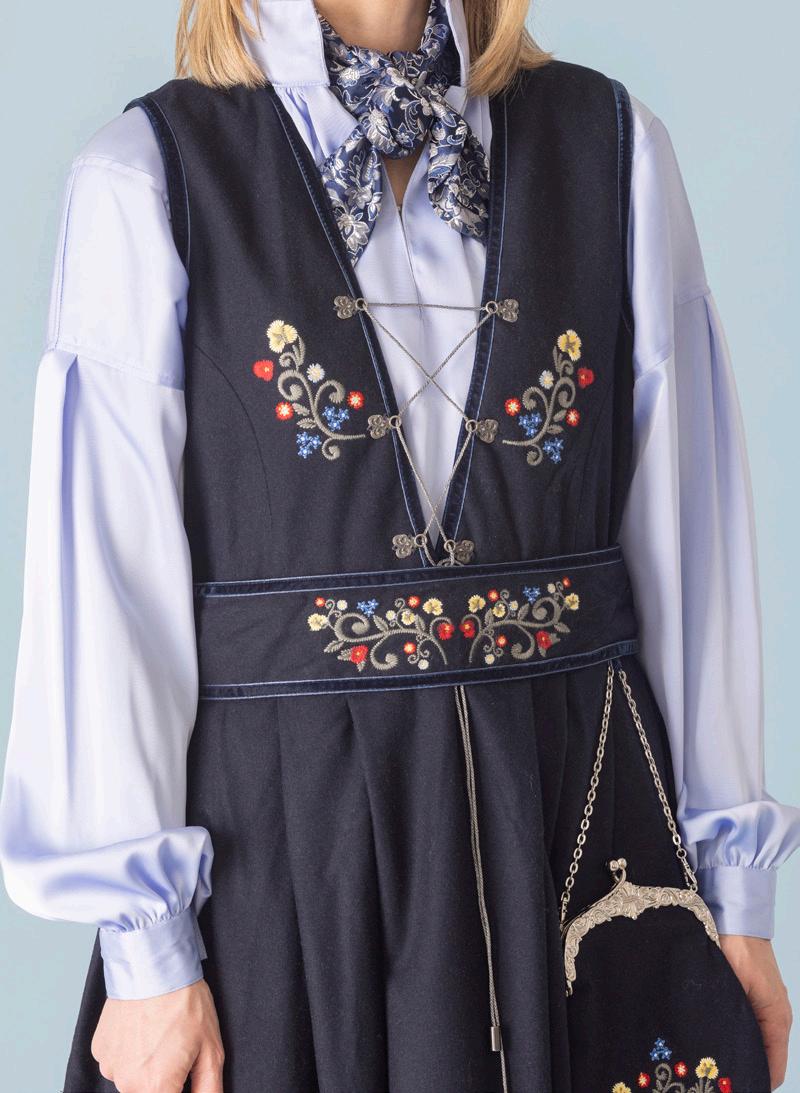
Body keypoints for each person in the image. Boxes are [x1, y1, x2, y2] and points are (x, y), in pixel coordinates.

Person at [0, 0, 797, 1090]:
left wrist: (736, 894)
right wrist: (147, 955)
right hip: (291, 871)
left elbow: (689, 548)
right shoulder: (145, 177)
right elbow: (109, 594)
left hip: (579, 841)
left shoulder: (615, 150)